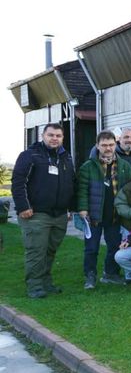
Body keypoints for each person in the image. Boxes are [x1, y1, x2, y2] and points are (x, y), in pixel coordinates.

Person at [11, 123, 75, 298]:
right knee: (36, 252)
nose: (54, 138)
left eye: (58, 136)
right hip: (35, 214)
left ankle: (46, 283)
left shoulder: (66, 158)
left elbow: (70, 184)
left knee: (50, 251)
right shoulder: (30, 155)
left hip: (59, 215)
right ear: (43, 136)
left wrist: (69, 208)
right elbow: (18, 182)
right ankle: (35, 286)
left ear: (62, 138)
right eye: (51, 135)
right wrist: (23, 206)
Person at [77, 130, 131, 289]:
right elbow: (82, 190)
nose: (108, 148)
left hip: (115, 216)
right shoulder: (88, 167)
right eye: (104, 145)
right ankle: (90, 276)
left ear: (115, 144)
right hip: (94, 216)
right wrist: (82, 209)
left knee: (114, 247)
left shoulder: (124, 166)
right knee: (91, 248)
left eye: (111, 145)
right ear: (97, 146)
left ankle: (110, 274)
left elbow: (130, 190)